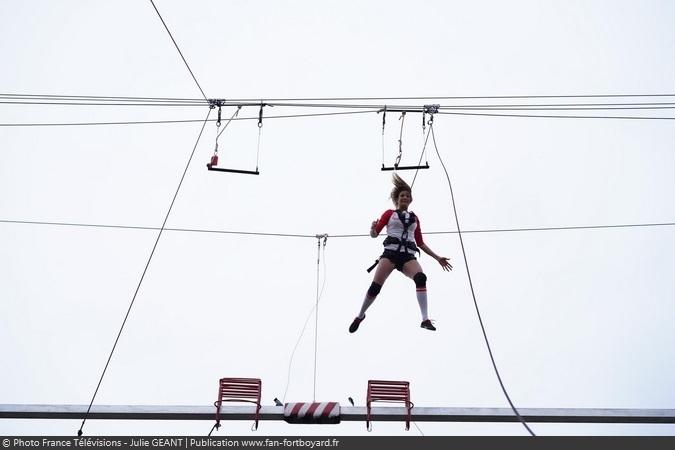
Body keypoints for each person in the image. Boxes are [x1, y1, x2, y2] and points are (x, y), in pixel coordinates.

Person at [349, 174, 452, 333]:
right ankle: (360, 315)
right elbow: (375, 234)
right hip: (390, 254)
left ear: (411, 200)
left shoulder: (415, 218)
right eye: (402, 195)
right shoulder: (389, 214)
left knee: (421, 278)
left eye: (407, 196)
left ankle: (425, 319)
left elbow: (420, 243)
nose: (405, 198)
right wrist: (372, 227)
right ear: (397, 198)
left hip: (408, 256)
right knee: (375, 287)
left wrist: (438, 257)